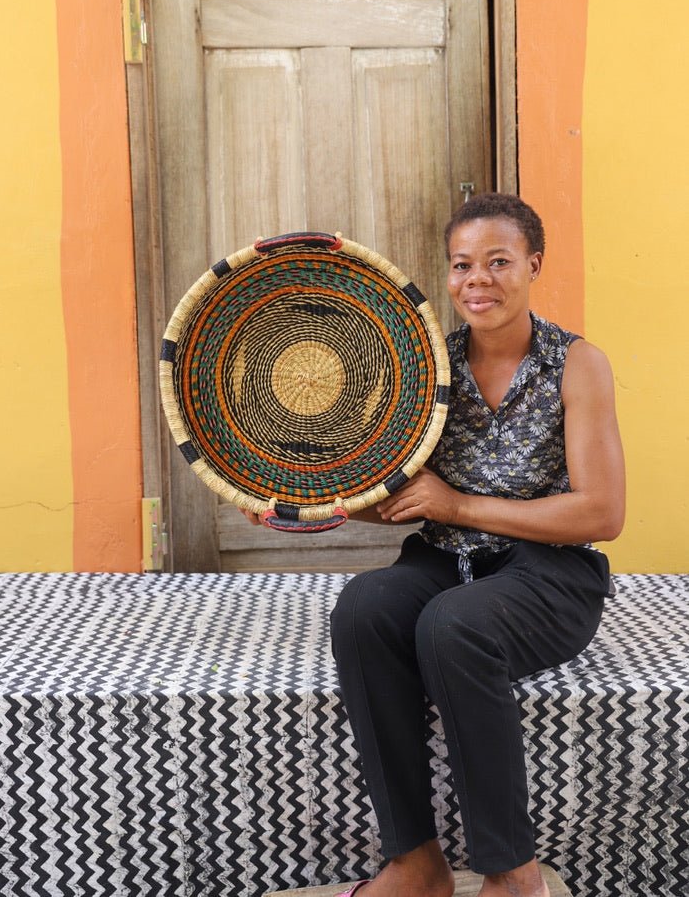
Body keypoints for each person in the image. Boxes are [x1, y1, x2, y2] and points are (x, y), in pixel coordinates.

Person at [242, 193, 625, 897]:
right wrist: (296, 506)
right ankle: (415, 863)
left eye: (499, 261)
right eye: (462, 265)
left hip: (548, 576)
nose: (477, 279)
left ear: (534, 265)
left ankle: (513, 874)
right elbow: (394, 495)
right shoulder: (427, 367)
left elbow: (602, 512)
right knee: (363, 608)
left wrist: (460, 504)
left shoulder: (576, 365)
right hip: (443, 558)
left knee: (453, 626)